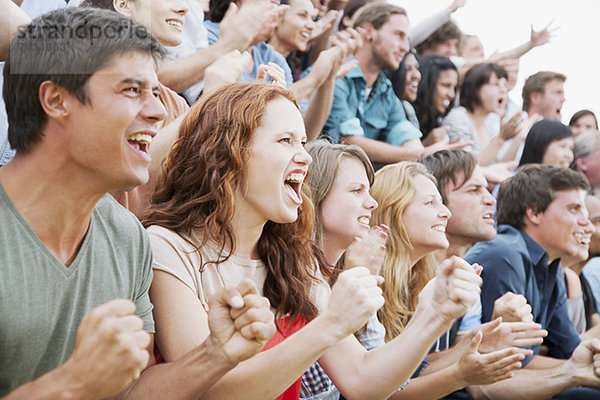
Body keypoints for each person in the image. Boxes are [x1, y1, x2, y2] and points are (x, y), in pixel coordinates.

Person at [143, 81, 483, 400]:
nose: (304, 157)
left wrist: (433, 316)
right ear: (229, 151)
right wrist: (330, 324)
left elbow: (361, 380)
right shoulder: (167, 247)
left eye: (303, 143)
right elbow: (207, 388)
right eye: (285, 141)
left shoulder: (296, 261)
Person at [0, 7, 275, 398]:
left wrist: (216, 354)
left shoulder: (127, 235)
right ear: (56, 100)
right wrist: (72, 383)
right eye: (132, 90)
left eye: (156, 92)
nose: (159, 111)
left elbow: (130, 390)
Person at [369, 161, 538, 399]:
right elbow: (379, 388)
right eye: (430, 203)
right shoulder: (365, 279)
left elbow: (416, 372)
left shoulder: (424, 278)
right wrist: (462, 372)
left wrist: (482, 339)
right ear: (393, 210)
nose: (446, 212)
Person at [463, 165, 600, 399]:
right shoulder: (504, 253)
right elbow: (497, 371)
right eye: (574, 209)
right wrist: (576, 371)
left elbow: (569, 350)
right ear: (534, 213)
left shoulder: (550, 265)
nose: (587, 225)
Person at [443, 63, 523, 165]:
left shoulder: (490, 121)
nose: (503, 90)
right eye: (496, 84)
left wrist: (518, 137)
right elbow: (468, 166)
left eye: (505, 85)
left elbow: (497, 165)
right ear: (476, 88)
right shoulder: (458, 117)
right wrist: (501, 139)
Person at [413, 54, 458, 145]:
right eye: (446, 85)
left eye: (454, 88)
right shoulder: (405, 113)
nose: (452, 95)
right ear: (427, 84)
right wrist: (425, 144)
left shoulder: (435, 121)